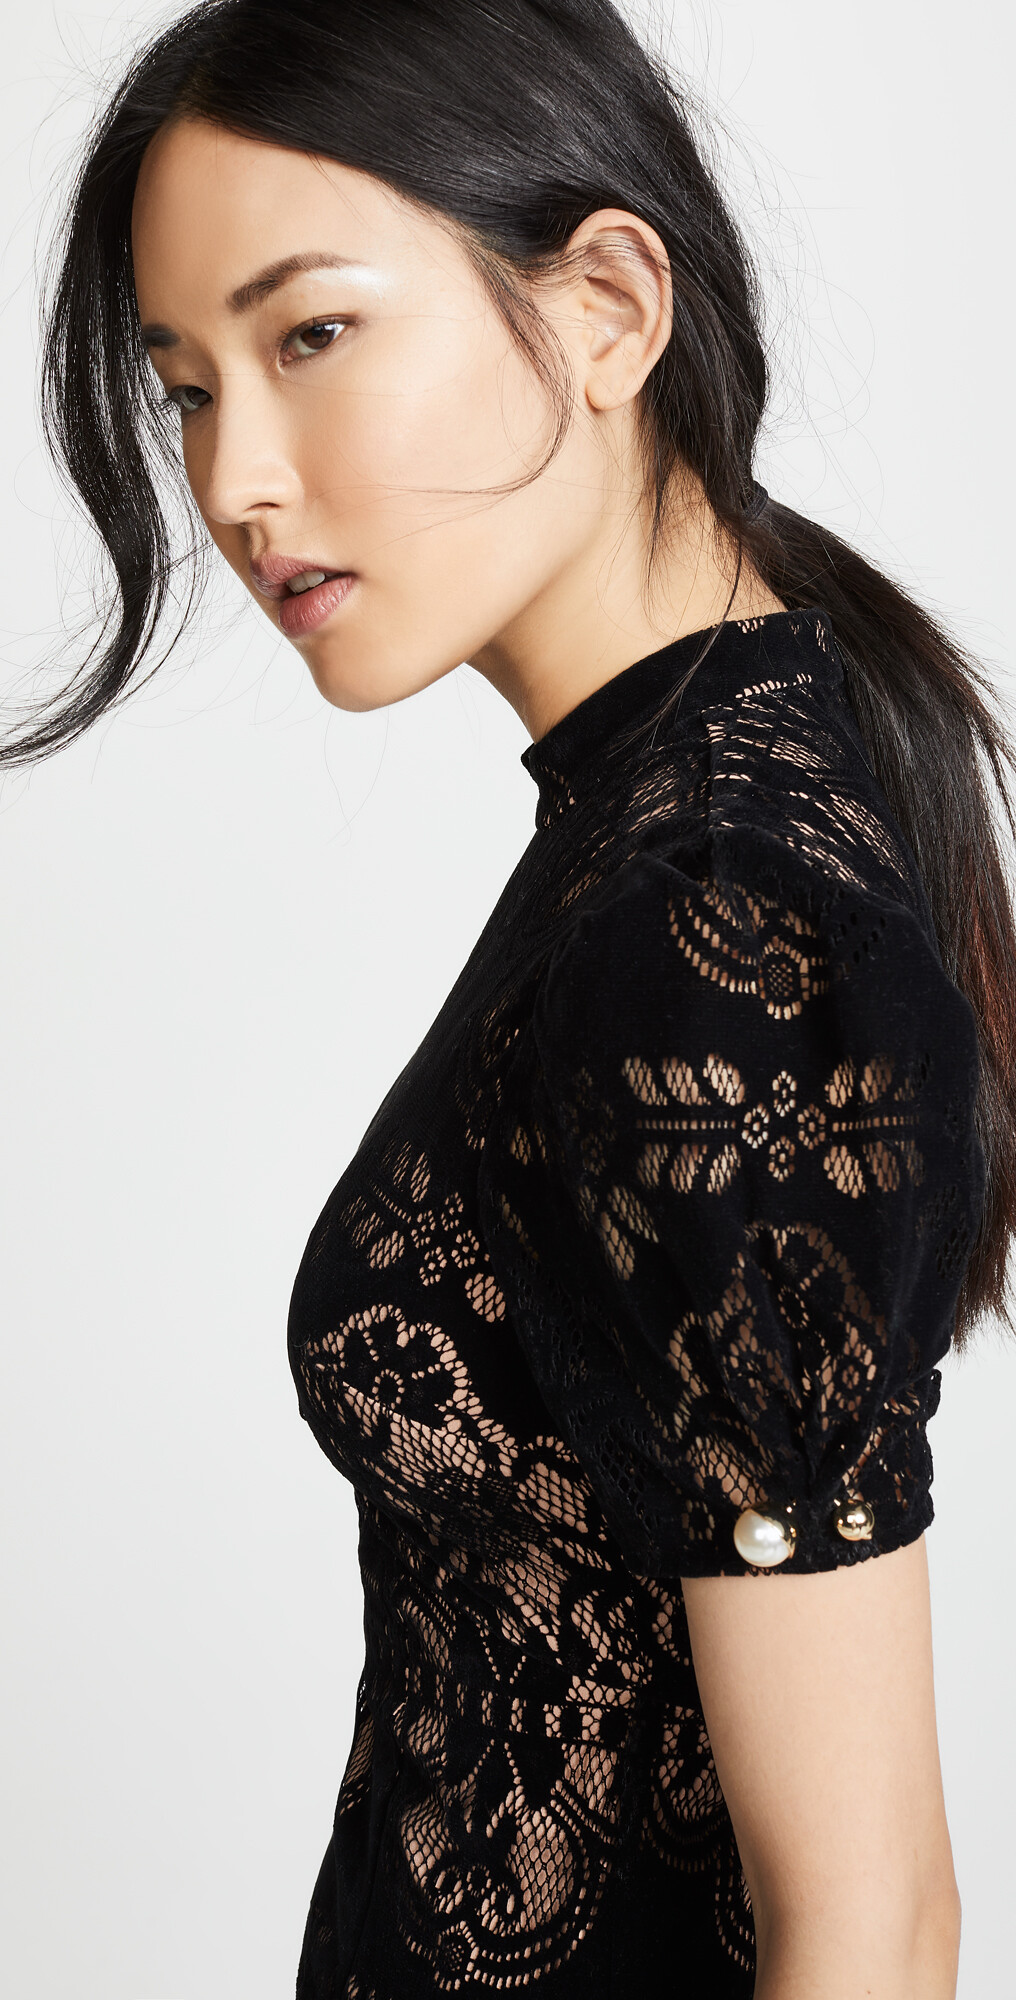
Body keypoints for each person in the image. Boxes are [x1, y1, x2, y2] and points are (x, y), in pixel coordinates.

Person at [8, 2, 1015, 1995]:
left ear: (608, 307)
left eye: (312, 335)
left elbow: (872, 1920)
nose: (236, 477)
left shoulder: (716, 916)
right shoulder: (681, 809)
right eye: (186, 385)